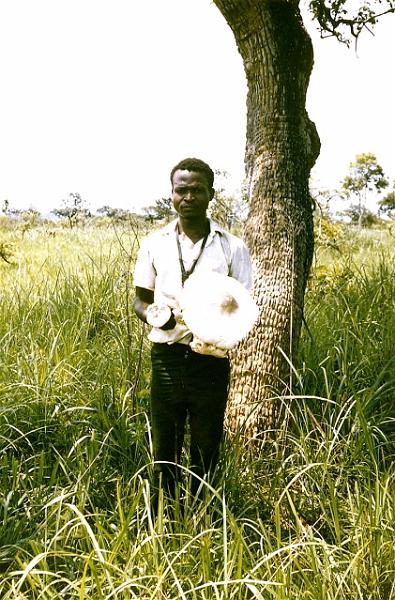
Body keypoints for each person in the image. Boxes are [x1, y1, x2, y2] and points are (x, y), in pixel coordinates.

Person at [133, 157, 252, 500]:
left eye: (197, 190)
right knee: (164, 445)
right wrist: (159, 316)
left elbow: (244, 307)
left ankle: (204, 521)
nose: (188, 197)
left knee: (206, 444)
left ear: (211, 194)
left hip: (211, 360)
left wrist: (217, 333)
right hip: (166, 356)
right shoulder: (154, 244)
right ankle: (162, 519)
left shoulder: (232, 246)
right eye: (181, 190)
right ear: (171, 194)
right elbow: (139, 301)